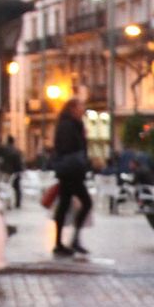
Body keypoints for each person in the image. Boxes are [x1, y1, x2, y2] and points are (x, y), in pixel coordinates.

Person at [50, 99, 92, 257]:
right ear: (73, 108)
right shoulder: (69, 125)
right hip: (71, 171)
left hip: (70, 171)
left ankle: (62, 242)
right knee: (85, 202)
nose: (83, 109)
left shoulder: (71, 124)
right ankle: (69, 240)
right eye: (81, 106)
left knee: (64, 205)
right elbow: (68, 147)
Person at [0, 136, 24, 208]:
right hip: (14, 172)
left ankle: (6, 203)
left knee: (4, 188)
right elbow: (19, 163)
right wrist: (19, 171)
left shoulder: (3, 150)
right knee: (16, 188)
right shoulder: (16, 151)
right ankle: (17, 203)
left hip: (5, 171)